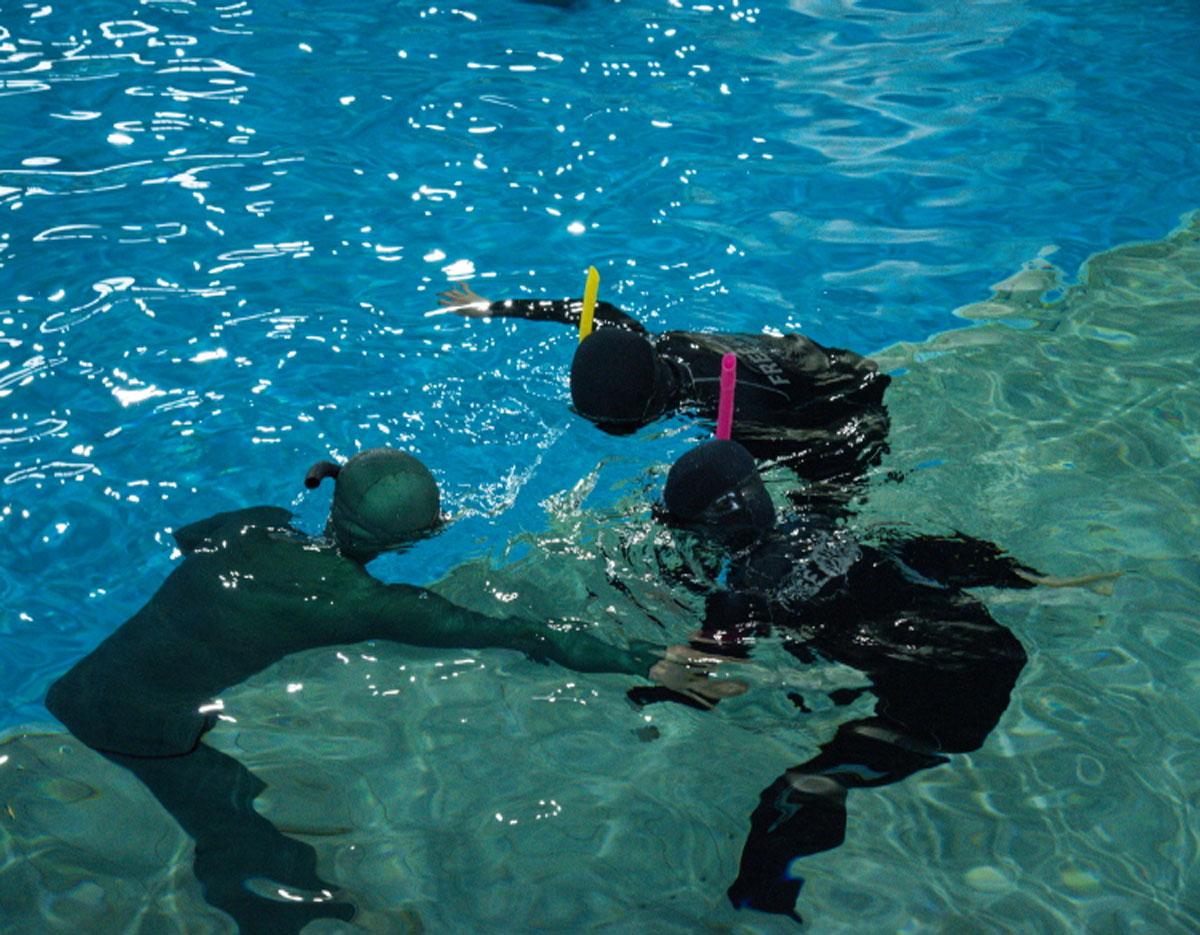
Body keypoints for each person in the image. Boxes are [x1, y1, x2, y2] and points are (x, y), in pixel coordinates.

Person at [45, 447, 738, 933]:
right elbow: (519, 633)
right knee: (246, 834)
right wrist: (645, 661)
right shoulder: (357, 601)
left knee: (229, 780)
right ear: (411, 541)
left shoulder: (254, 523)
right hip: (135, 726)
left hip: (84, 681)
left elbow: (188, 537)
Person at [649, 439, 1066, 921]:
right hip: (994, 645)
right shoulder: (818, 524)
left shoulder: (743, 594)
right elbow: (924, 552)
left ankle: (756, 912)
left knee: (798, 790)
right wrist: (1034, 581)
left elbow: (717, 683)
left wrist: (657, 677)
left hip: (942, 708)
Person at [438, 284, 891, 491]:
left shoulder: (734, 417)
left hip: (852, 392)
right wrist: (492, 306)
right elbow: (592, 310)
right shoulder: (657, 344)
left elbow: (826, 451)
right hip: (816, 353)